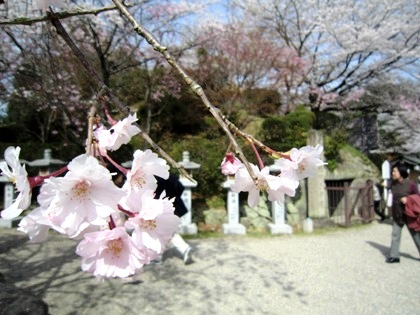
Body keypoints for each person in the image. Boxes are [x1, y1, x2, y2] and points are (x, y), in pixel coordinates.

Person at [155, 174, 194, 265]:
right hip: (175, 206)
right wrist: (174, 197)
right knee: (166, 231)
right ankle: (183, 249)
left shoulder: (152, 177)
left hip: (160, 208)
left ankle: (158, 256)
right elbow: (180, 188)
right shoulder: (170, 175)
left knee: (160, 231)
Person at [386, 163, 420, 263]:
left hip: (409, 214)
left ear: (401, 172)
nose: (393, 173)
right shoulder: (393, 184)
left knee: (416, 235)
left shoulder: (411, 184)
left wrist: (408, 199)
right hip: (397, 213)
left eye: (395, 171)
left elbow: (418, 198)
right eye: (393, 171)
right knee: (395, 234)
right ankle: (394, 256)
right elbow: (387, 186)